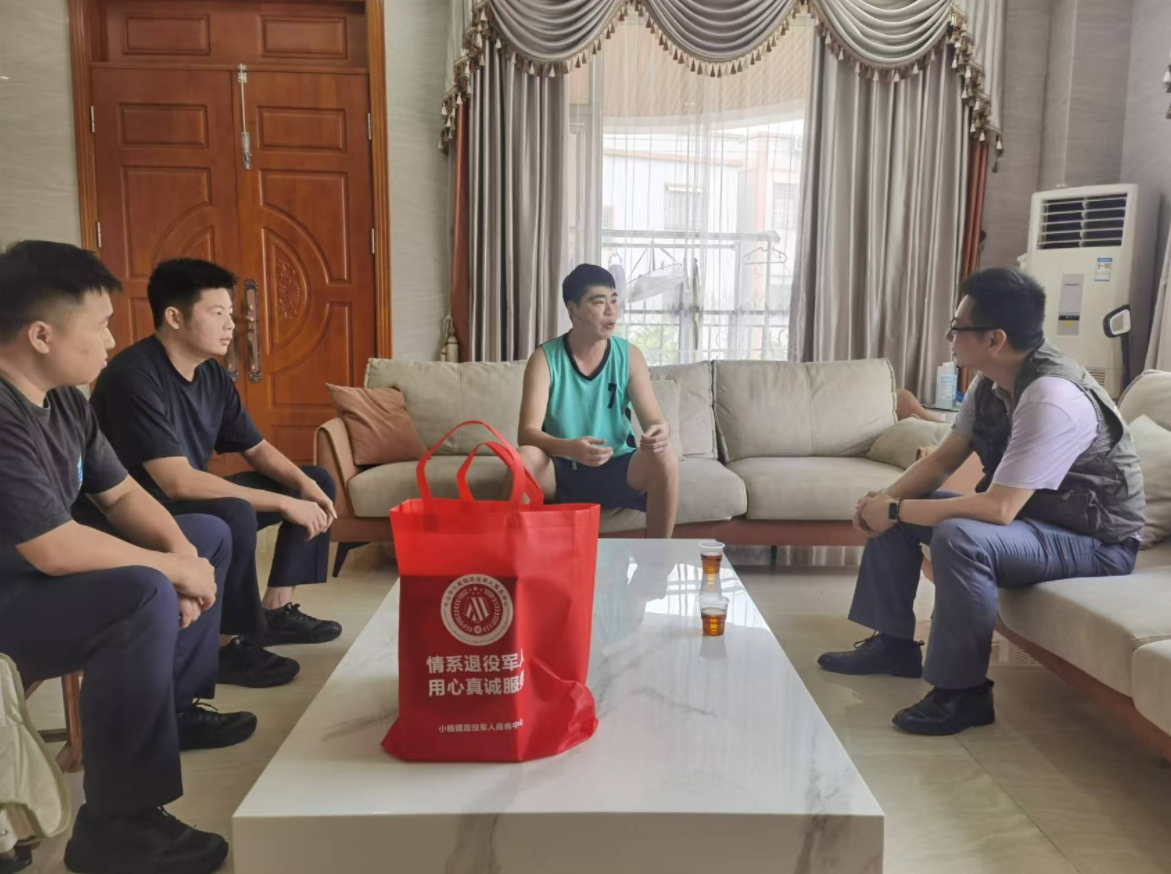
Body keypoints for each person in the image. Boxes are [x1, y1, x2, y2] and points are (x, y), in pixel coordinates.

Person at [0, 241, 255, 874]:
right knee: (140, 592)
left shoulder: (63, 398)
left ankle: (172, 715)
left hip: (35, 585)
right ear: (41, 335)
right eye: (101, 325)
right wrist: (172, 572)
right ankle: (119, 825)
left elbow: (120, 495)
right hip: (13, 596)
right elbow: (54, 547)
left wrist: (186, 557)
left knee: (196, 541)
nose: (113, 340)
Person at [818, 268, 1145, 736]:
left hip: (1096, 544)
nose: (949, 337)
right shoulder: (990, 381)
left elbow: (998, 510)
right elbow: (945, 457)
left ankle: (964, 693)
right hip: (1033, 524)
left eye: (957, 327)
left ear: (995, 339)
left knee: (959, 535)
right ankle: (894, 646)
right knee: (909, 505)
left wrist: (892, 510)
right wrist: (888, 499)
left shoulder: (1051, 396)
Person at [88, 258, 341, 690]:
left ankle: (274, 613)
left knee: (314, 480)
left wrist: (303, 487)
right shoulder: (133, 377)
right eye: (218, 313)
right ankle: (226, 647)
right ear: (174, 317)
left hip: (185, 497)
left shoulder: (211, 375)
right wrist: (284, 503)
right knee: (234, 512)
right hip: (143, 511)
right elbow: (176, 481)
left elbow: (256, 448)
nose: (231, 325)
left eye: (231, 314)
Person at [516, 264, 679, 538]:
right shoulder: (544, 359)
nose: (611, 310)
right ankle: (516, 555)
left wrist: (660, 431)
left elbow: (654, 420)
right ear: (573, 310)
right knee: (523, 459)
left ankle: (658, 557)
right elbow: (527, 433)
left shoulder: (629, 355)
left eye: (614, 300)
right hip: (563, 469)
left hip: (618, 468)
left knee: (665, 456)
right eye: (599, 302)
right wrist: (570, 448)